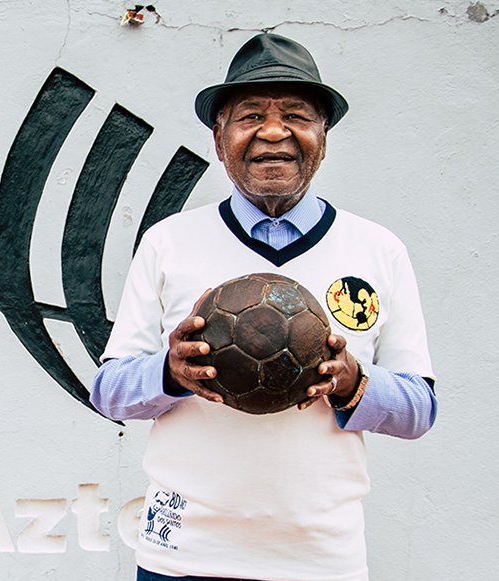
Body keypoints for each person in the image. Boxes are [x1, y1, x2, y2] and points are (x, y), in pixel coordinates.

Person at [92, 33, 437, 581]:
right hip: (182, 558)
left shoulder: (377, 249)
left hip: (322, 561)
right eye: (250, 115)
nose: (273, 132)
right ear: (219, 138)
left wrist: (352, 381)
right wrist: (171, 372)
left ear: (323, 137)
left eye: (296, 115)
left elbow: (419, 408)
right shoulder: (168, 242)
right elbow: (109, 392)